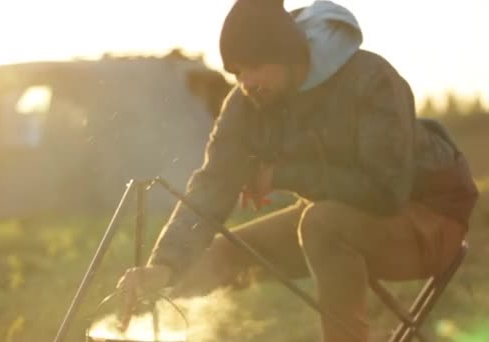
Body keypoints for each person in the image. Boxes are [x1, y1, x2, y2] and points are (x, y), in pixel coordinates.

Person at [115, 0, 479, 341]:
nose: (246, 82)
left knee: (320, 222)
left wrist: (281, 174)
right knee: (222, 253)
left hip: (429, 220)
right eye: (238, 71)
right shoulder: (248, 103)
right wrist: (163, 266)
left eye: (254, 66)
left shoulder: (370, 78)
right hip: (340, 219)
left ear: (288, 56)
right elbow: (213, 183)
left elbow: (386, 192)